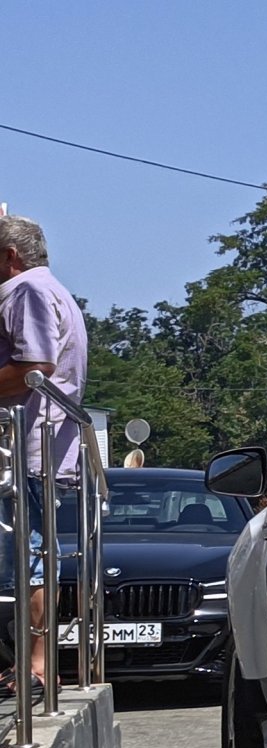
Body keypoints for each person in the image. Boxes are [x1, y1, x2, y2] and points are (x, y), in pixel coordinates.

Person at [0, 216, 88, 695]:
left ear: (10, 256)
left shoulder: (27, 292)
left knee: (29, 557)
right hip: (41, 445)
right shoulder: (47, 289)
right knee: (31, 555)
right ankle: (33, 663)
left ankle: (35, 666)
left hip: (32, 444)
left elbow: (35, 368)